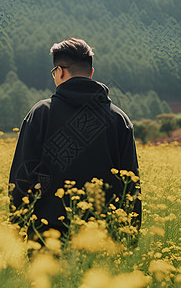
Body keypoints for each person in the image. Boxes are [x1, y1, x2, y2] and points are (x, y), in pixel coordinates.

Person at [8, 38, 140, 245]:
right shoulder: (118, 120)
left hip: (47, 240)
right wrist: (129, 240)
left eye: (54, 73)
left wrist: (17, 227)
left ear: (59, 71)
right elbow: (130, 186)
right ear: (91, 73)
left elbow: (22, 177)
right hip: (102, 244)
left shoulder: (41, 114)